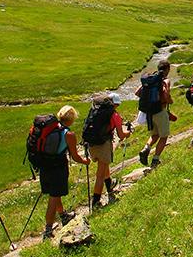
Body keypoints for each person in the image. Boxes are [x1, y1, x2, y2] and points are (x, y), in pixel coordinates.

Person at [39, 106, 91, 239]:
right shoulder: (68, 134)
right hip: (58, 167)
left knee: (54, 194)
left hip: (44, 166)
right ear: (71, 119)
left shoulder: (50, 129)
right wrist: (85, 161)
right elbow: (75, 156)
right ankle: (48, 230)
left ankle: (63, 215)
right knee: (54, 197)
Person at [86, 93, 132, 210]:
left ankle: (109, 188)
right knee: (100, 174)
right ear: (115, 104)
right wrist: (128, 133)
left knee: (104, 167)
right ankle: (96, 202)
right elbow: (121, 135)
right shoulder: (114, 115)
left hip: (92, 144)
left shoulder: (94, 110)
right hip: (104, 144)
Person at [137, 60, 173, 168]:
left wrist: (148, 101)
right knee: (164, 136)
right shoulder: (165, 80)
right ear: (167, 69)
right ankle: (155, 159)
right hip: (160, 111)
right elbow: (166, 94)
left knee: (155, 135)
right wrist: (169, 101)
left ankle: (146, 148)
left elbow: (137, 93)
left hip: (149, 113)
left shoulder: (150, 79)